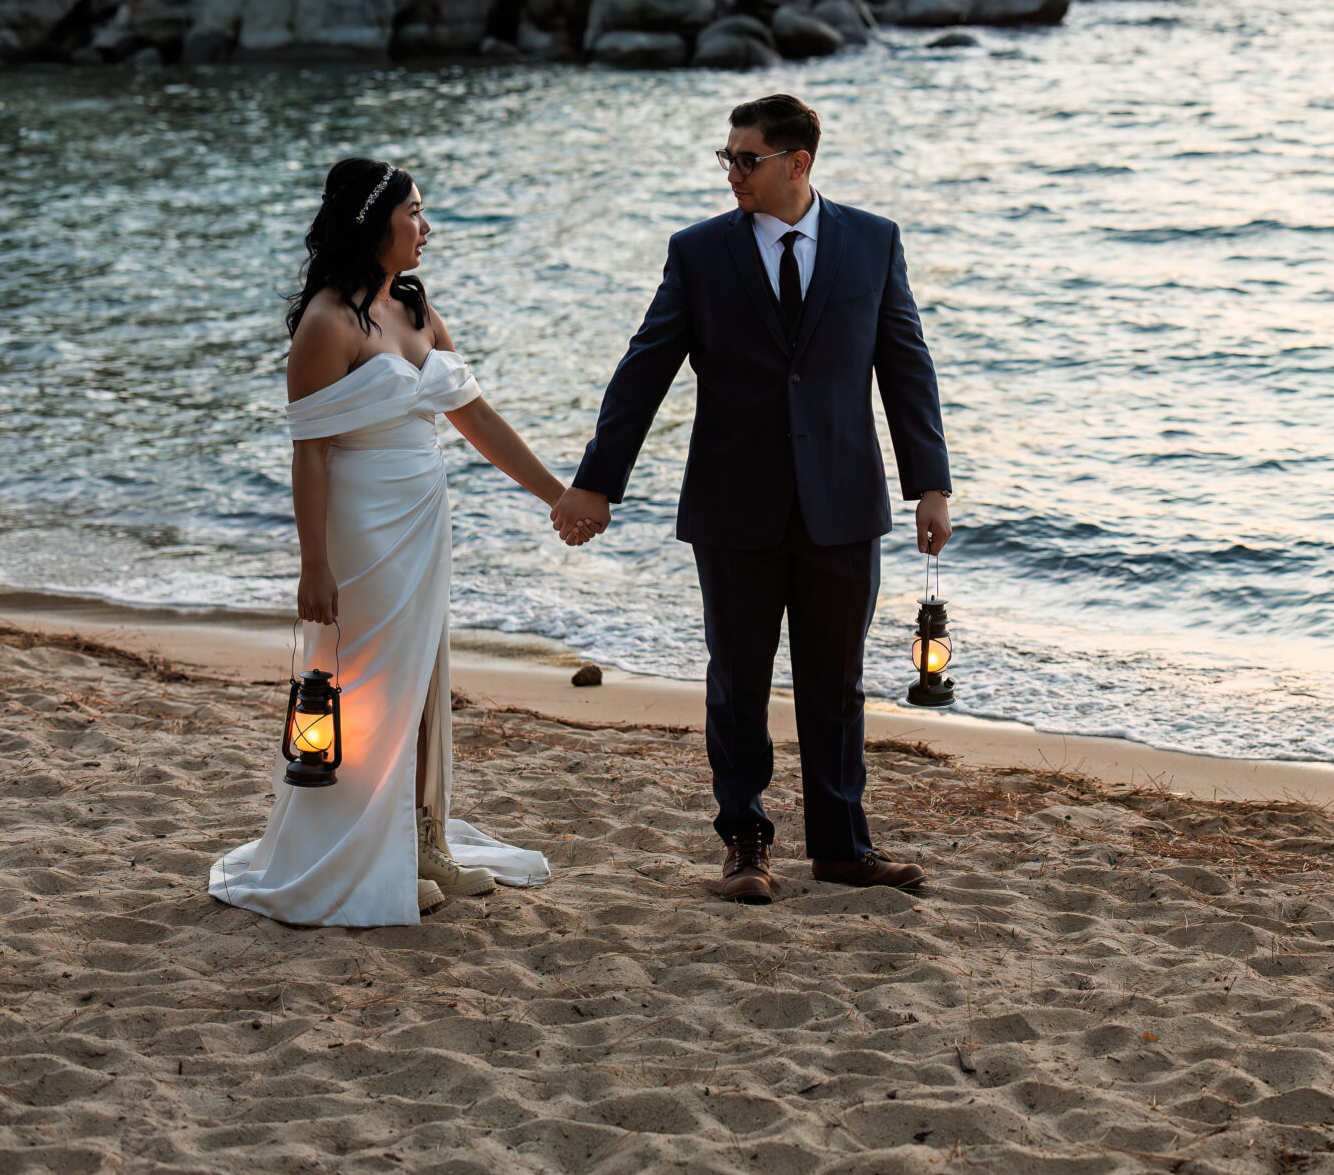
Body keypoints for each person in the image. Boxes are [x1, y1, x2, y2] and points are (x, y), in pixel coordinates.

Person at [553, 94, 952, 904]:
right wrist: (598, 480)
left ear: (796, 164)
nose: (732, 172)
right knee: (737, 680)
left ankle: (843, 846)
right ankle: (745, 844)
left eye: (747, 159)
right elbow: (644, 369)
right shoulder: (699, 253)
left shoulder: (873, 242)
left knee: (835, 683)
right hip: (733, 506)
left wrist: (930, 484)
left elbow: (906, 364)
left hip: (843, 503)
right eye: (727, 158)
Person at [211, 159, 561, 926]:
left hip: (423, 520)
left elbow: (480, 419)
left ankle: (423, 837)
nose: (427, 227)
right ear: (376, 222)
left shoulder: (415, 305)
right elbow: (309, 452)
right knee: (366, 686)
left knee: (425, 676)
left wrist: (558, 496)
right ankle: (365, 846)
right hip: (360, 526)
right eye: (417, 211)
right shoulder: (326, 323)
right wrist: (313, 565)